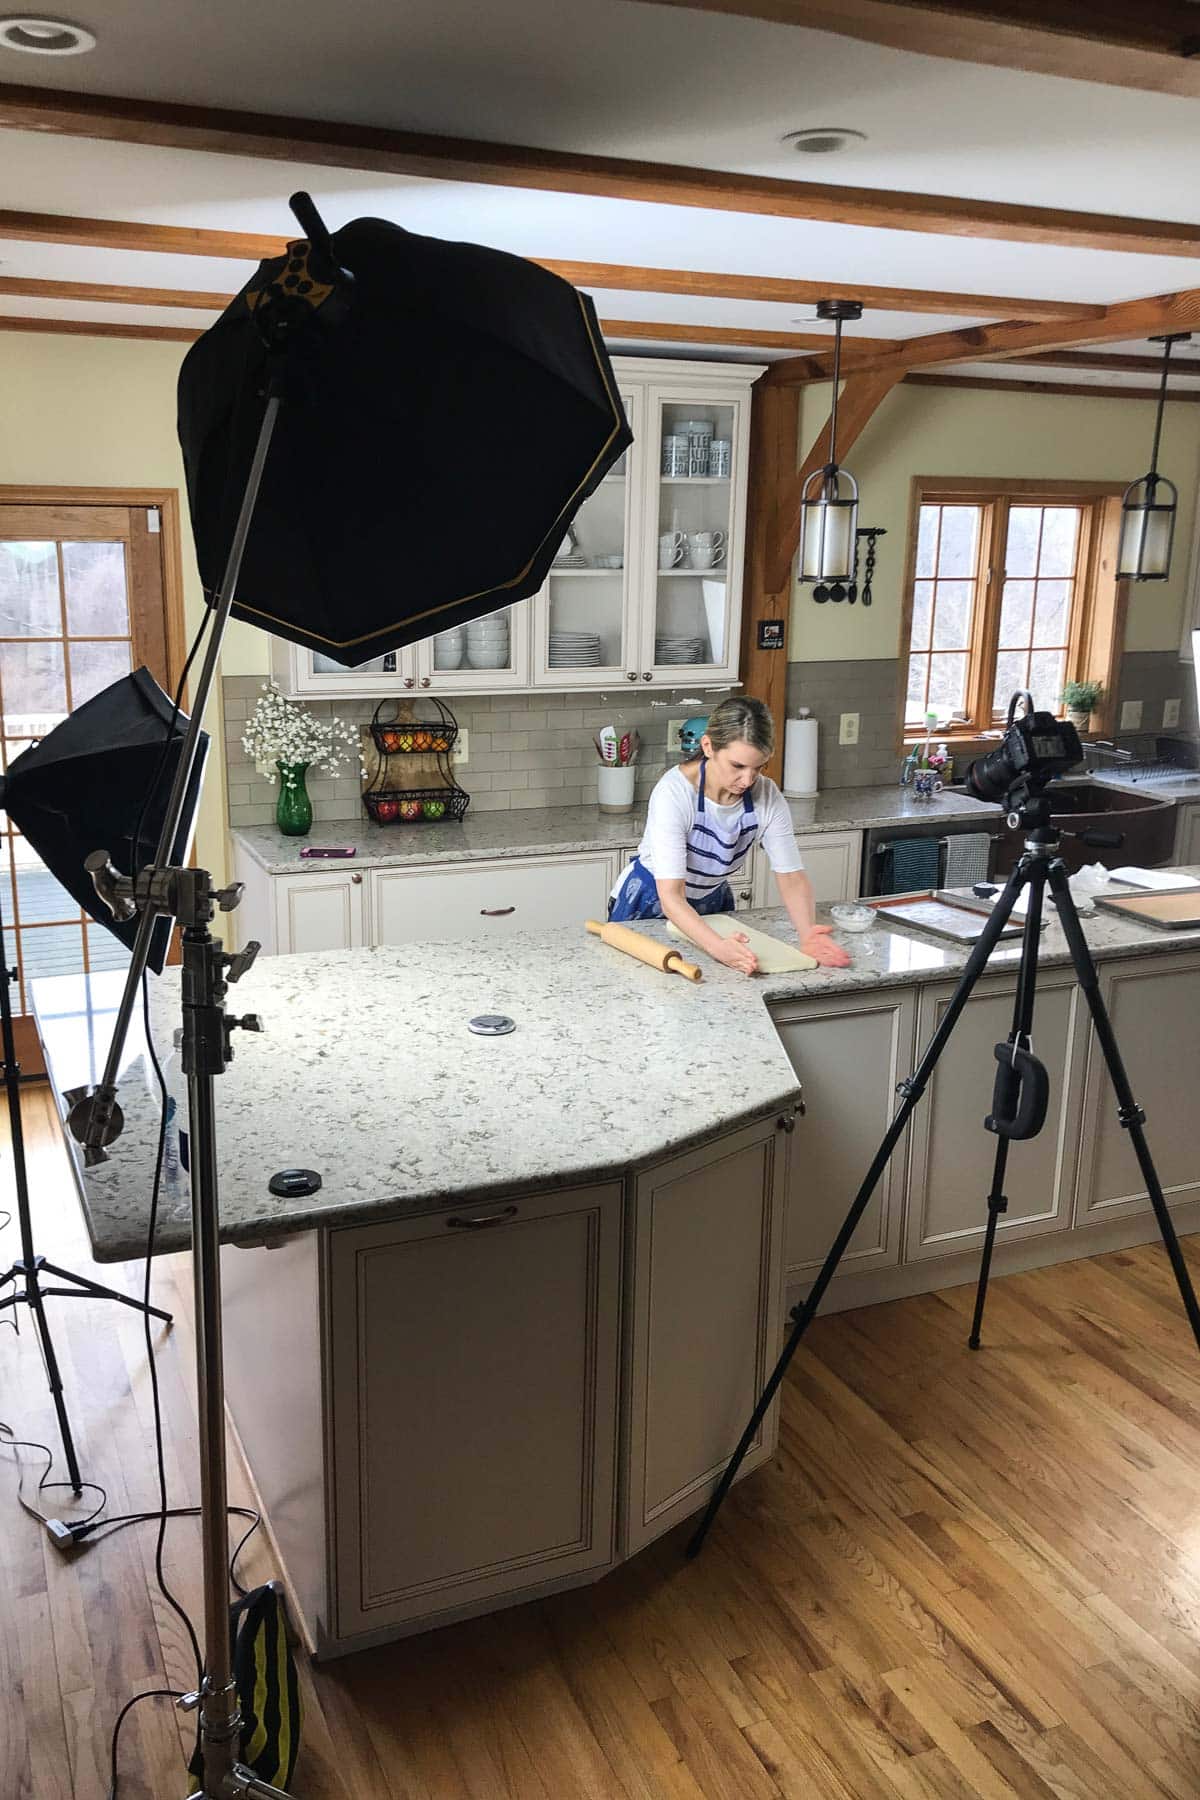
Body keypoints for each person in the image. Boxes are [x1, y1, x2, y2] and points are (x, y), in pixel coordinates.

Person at [608, 696, 851, 975]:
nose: (748, 780)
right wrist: (716, 947)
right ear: (708, 746)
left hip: (712, 902)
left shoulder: (766, 796)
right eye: (737, 766)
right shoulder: (674, 794)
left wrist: (807, 933)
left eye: (758, 767)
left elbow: (791, 877)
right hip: (650, 901)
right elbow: (671, 896)